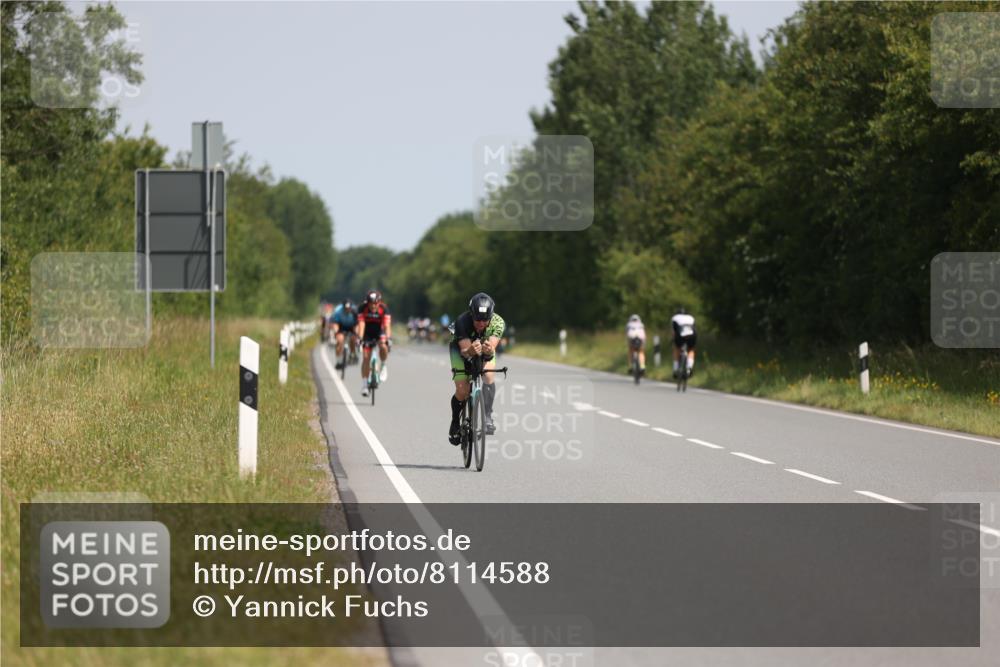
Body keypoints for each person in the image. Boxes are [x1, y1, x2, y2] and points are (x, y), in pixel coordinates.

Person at [448, 292, 505, 445]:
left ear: (491, 317)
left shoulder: (498, 322)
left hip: (484, 350)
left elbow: (492, 347)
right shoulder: (461, 321)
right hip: (461, 351)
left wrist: (488, 349)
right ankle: (455, 422)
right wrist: (471, 350)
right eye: (477, 319)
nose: (481, 323)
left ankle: (487, 415)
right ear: (471, 314)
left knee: (488, 376)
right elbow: (465, 352)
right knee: (463, 390)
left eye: (485, 320)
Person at [360, 289, 391, 395]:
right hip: (367, 333)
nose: (373, 306)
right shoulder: (362, 308)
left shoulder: (384, 309)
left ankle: (383, 365)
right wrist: (360, 339)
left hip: (379, 331)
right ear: (367, 302)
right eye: (370, 303)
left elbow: (387, 325)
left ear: (379, 302)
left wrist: (388, 338)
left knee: (383, 346)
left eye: (375, 303)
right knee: (365, 358)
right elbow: (361, 324)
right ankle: (364, 385)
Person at [331, 298, 360, 369]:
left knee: (353, 338)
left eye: (349, 308)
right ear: (343, 307)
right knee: (340, 340)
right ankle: (339, 361)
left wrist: (356, 333)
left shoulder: (355, 312)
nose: (347, 310)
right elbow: (335, 323)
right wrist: (336, 332)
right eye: (346, 308)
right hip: (341, 326)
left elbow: (357, 324)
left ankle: (352, 354)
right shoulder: (338, 312)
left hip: (351, 326)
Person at [671, 307, 697, 378]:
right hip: (692, 334)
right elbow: (694, 328)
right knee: (691, 350)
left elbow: (673, 332)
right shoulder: (691, 317)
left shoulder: (675, 317)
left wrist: (673, 340)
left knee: (677, 349)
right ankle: (689, 367)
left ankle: (676, 369)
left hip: (680, 333)